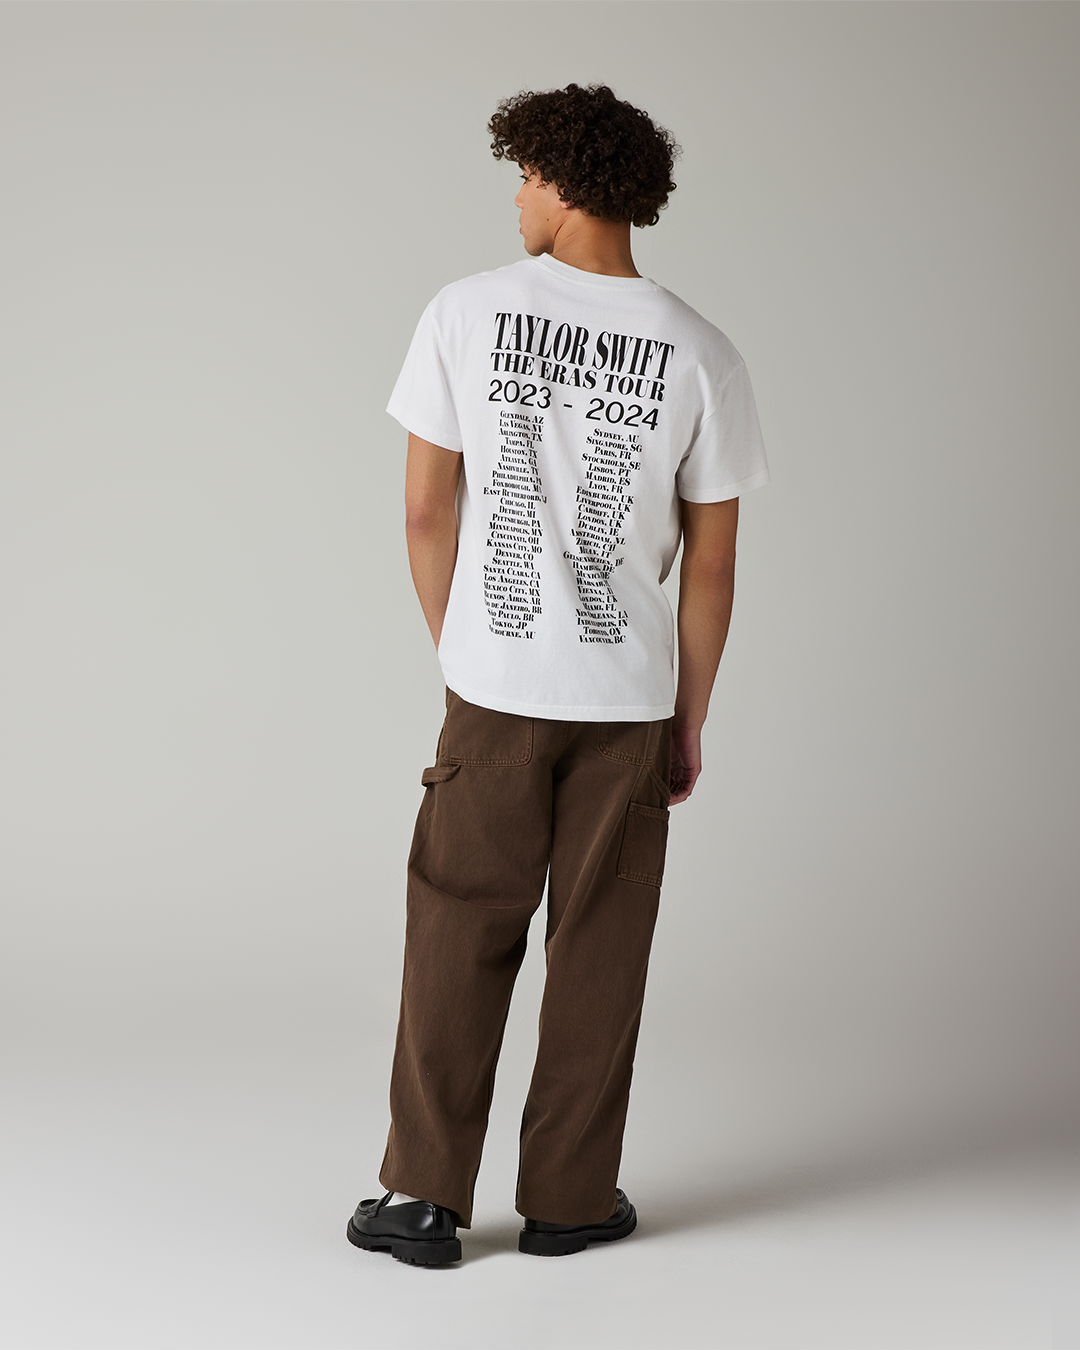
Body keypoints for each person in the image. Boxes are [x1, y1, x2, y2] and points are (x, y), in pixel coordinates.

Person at [346, 82, 769, 1266]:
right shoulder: (704, 352)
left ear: (569, 186)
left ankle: (422, 1199)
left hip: (495, 688)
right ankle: (572, 1201)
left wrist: (463, 647)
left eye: (527, 177)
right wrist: (688, 719)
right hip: (629, 699)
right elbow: (714, 568)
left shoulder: (465, 312)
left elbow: (426, 510)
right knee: (602, 944)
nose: (519, 199)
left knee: (457, 926)